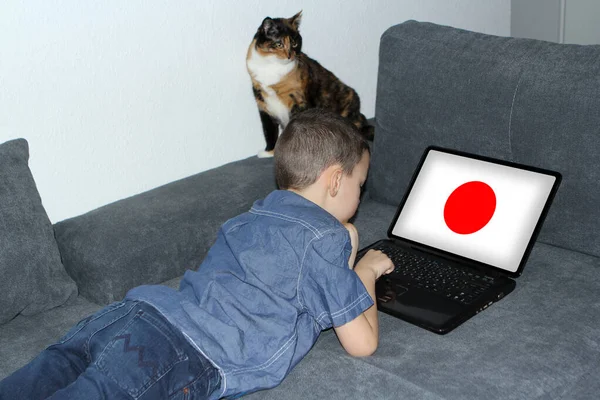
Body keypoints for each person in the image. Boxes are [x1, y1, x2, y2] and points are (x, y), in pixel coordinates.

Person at [0, 109, 393, 400]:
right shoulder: (323, 240)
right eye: (360, 184)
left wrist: (346, 237)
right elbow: (362, 343)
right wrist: (366, 271)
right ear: (336, 179)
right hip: (177, 351)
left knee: (41, 377)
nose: (360, 197)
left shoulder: (249, 219)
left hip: (132, 315)